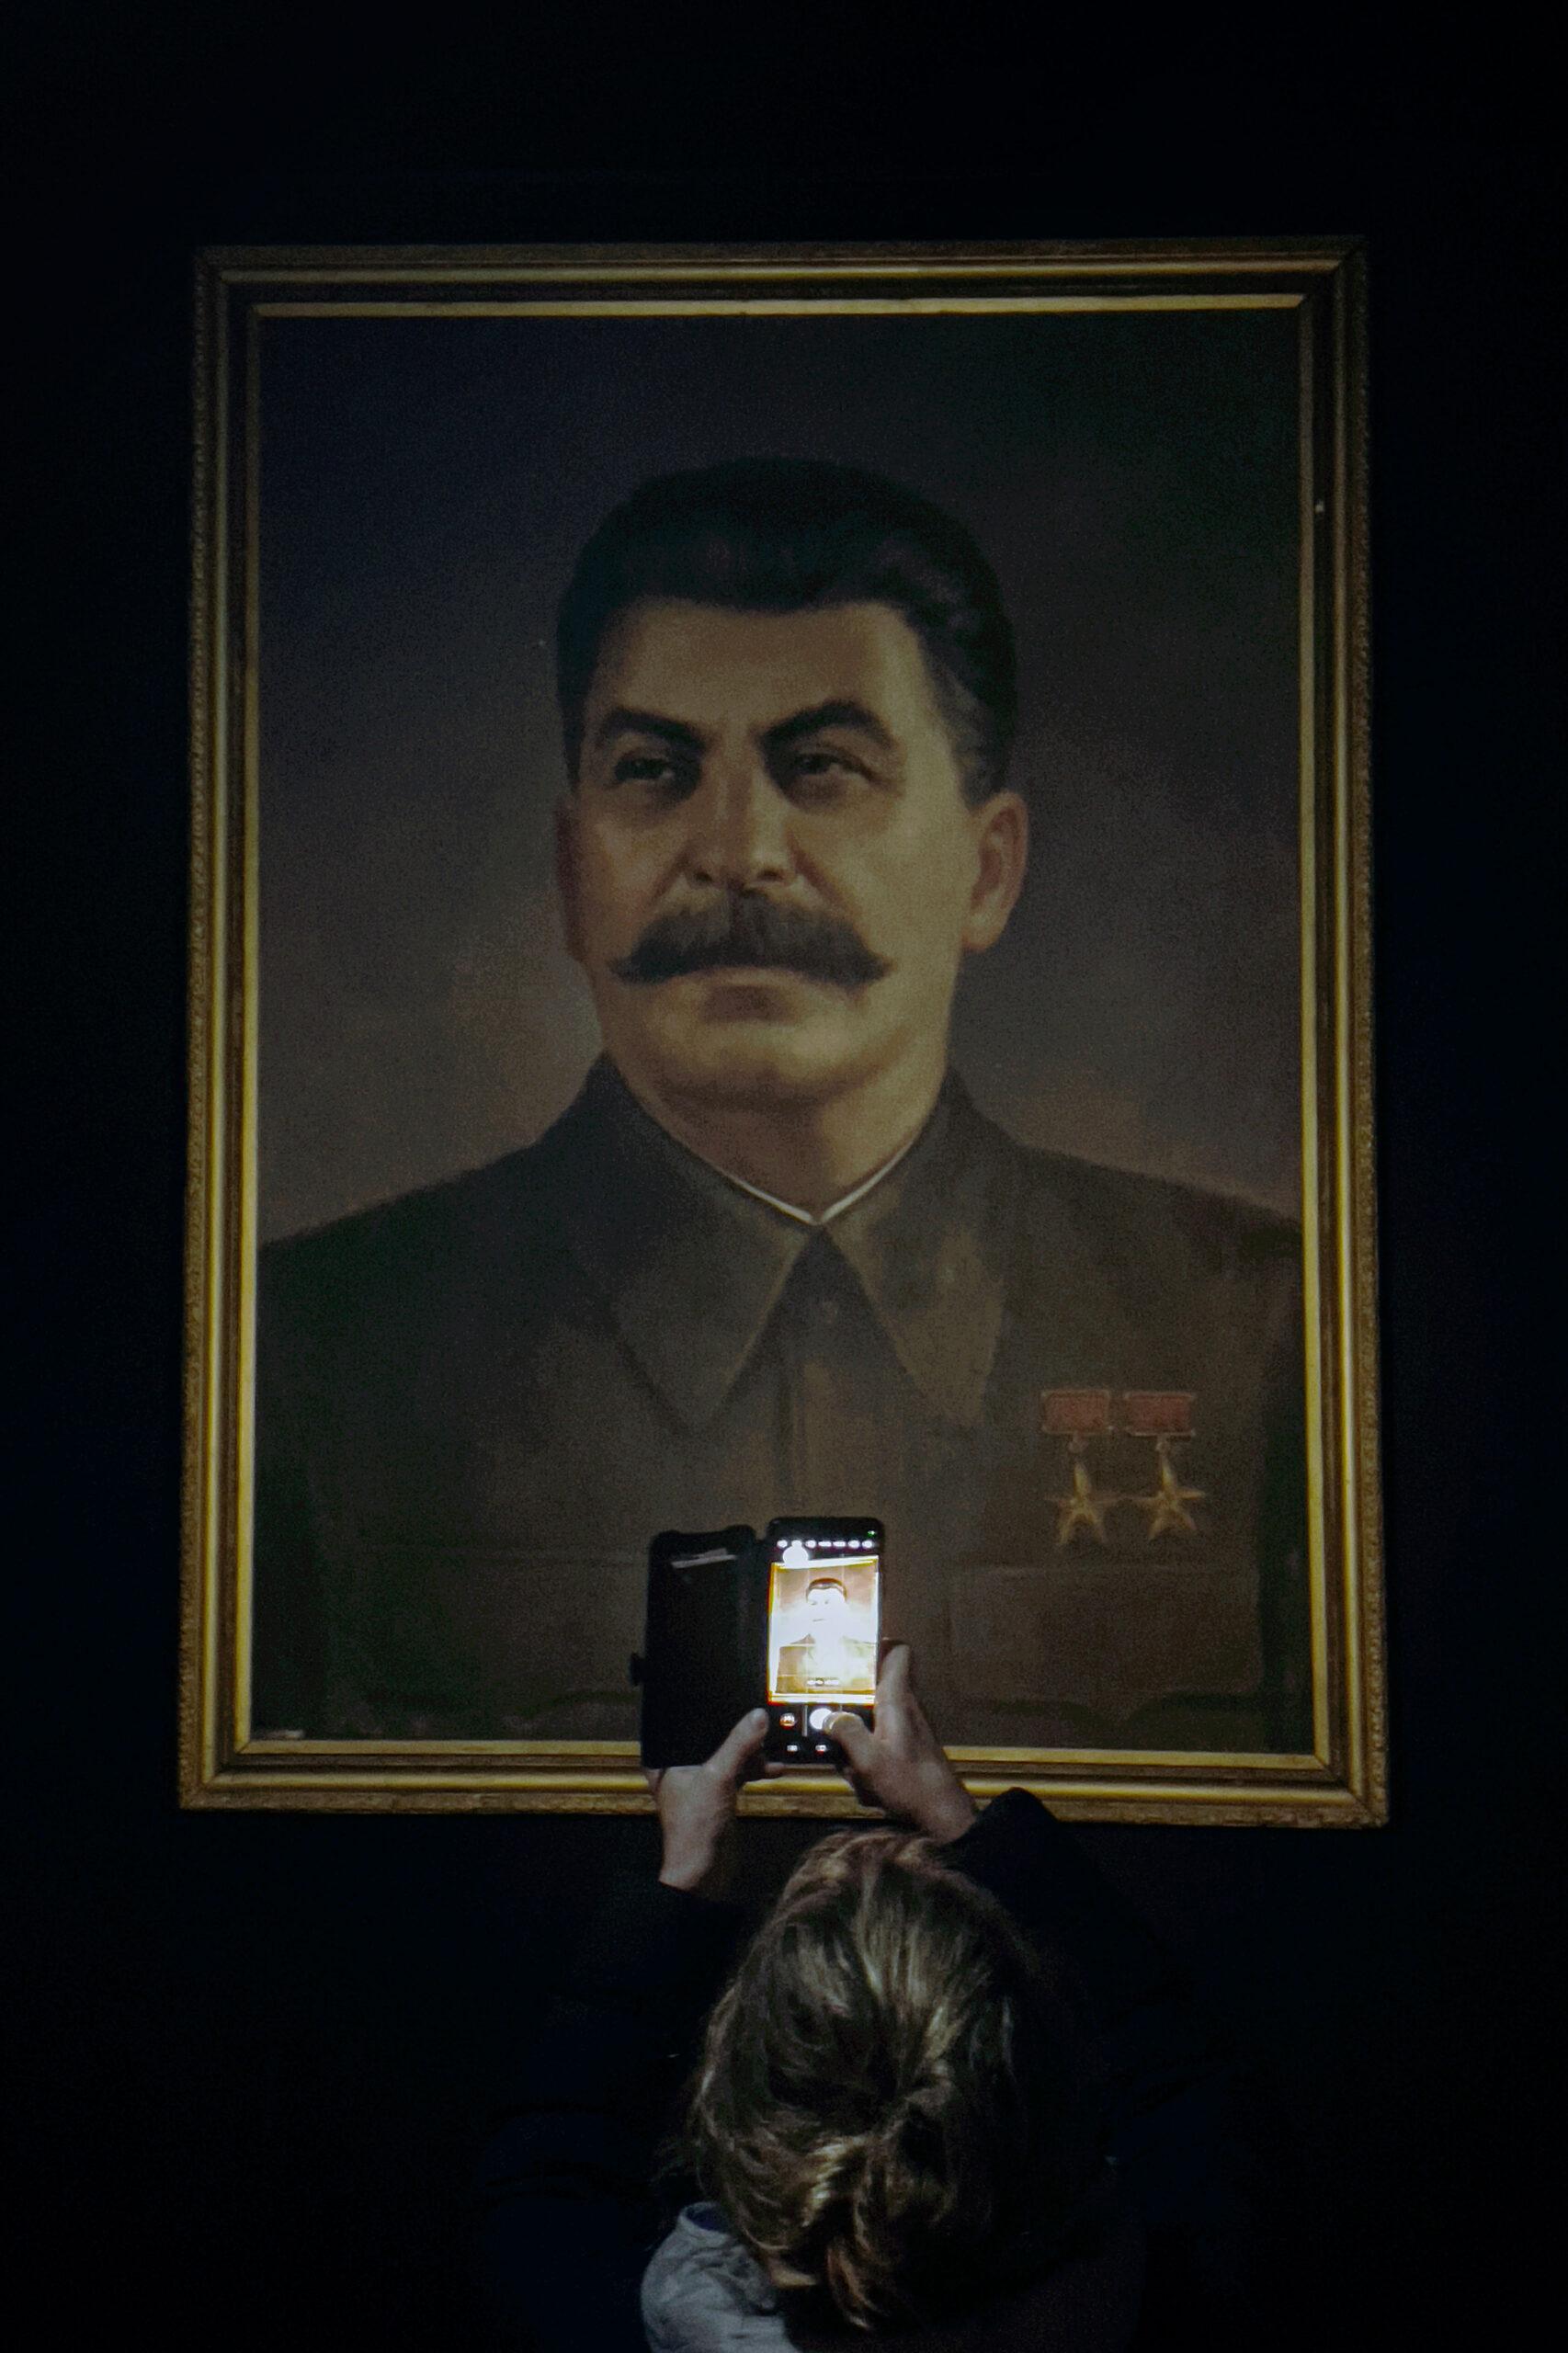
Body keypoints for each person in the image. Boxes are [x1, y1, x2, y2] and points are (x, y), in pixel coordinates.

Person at [253, 458, 1308, 1752]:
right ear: (571, 873)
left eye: (823, 768)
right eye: (654, 770)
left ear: (986, 873)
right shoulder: (300, 1361)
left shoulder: (1262, 1337)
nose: (738, 851)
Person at [471, 1644, 1268, 2349]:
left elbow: (551, 2164)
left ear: (730, 2099)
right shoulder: (1179, 2296)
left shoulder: (589, 2313)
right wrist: (960, 1825)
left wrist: (685, 1877)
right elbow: (1182, 2083)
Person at [773, 1576, 878, 1695]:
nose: (820, 1610)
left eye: (829, 1603)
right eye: (813, 1604)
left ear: (844, 1609)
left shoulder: (868, 1653)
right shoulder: (788, 1654)